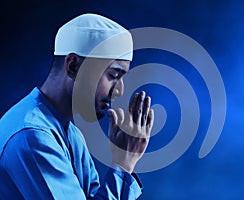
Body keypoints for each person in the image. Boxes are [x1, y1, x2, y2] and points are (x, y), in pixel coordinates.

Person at [0, 13, 154, 199]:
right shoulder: (33, 136)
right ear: (73, 66)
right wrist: (123, 164)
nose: (120, 91)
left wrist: (123, 164)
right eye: (114, 75)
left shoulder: (69, 133)